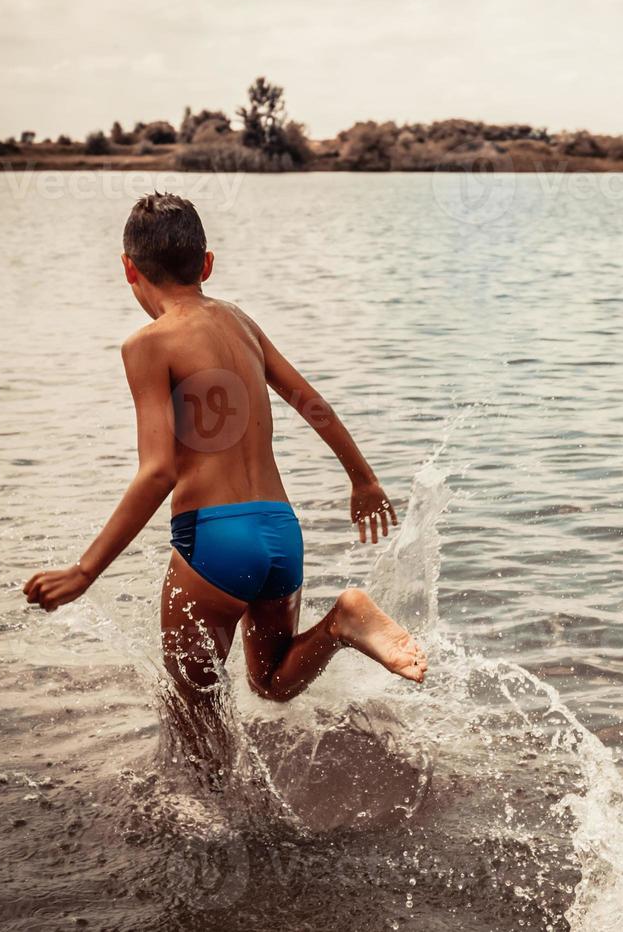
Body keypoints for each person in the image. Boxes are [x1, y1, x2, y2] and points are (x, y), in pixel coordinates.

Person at [23, 193, 426, 737]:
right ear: (207, 264)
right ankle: (341, 621)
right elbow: (312, 403)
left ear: (128, 269)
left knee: (196, 723)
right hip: (280, 530)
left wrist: (85, 570)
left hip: (213, 539)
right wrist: (364, 478)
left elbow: (158, 471)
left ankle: (204, 821)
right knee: (273, 681)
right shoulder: (239, 321)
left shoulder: (147, 344)